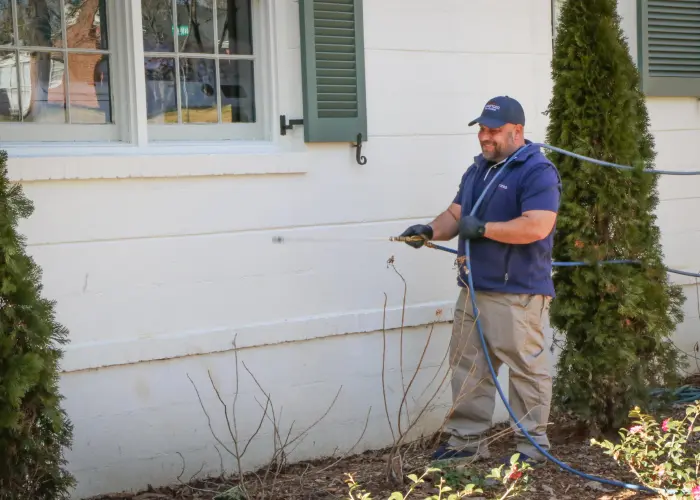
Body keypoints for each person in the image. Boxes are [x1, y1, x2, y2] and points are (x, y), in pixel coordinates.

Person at [399, 96, 562, 465]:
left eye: (493, 131)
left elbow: (538, 225)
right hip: (473, 288)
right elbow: (456, 213)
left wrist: (485, 229)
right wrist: (428, 230)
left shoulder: (536, 170)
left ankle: (531, 447)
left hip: (517, 292)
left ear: (516, 131)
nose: (484, 137)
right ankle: (465, 442)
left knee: (525, 371)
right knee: (468, 367)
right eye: (481, 130)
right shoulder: (478, 170)